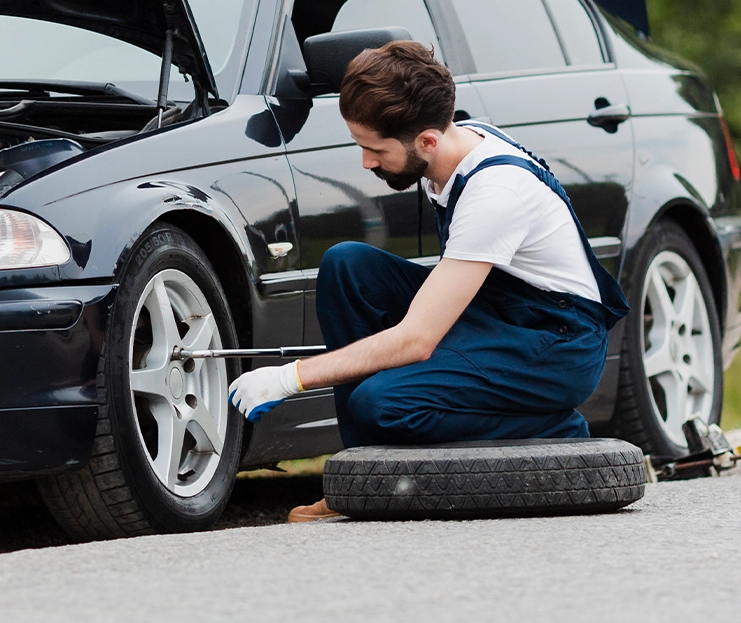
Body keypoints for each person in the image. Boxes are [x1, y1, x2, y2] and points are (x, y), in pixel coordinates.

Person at [228, 40, 629, 523]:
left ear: (427, 142)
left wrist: (289, 378)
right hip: (500, 314)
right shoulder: (451, 143)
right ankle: (364, 478)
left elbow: (417, 340)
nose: (366, 163)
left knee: (383, 406)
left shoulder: (495, 193)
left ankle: (551, 425)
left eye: (375, 149)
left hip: (555, 346)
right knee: (348, 266)